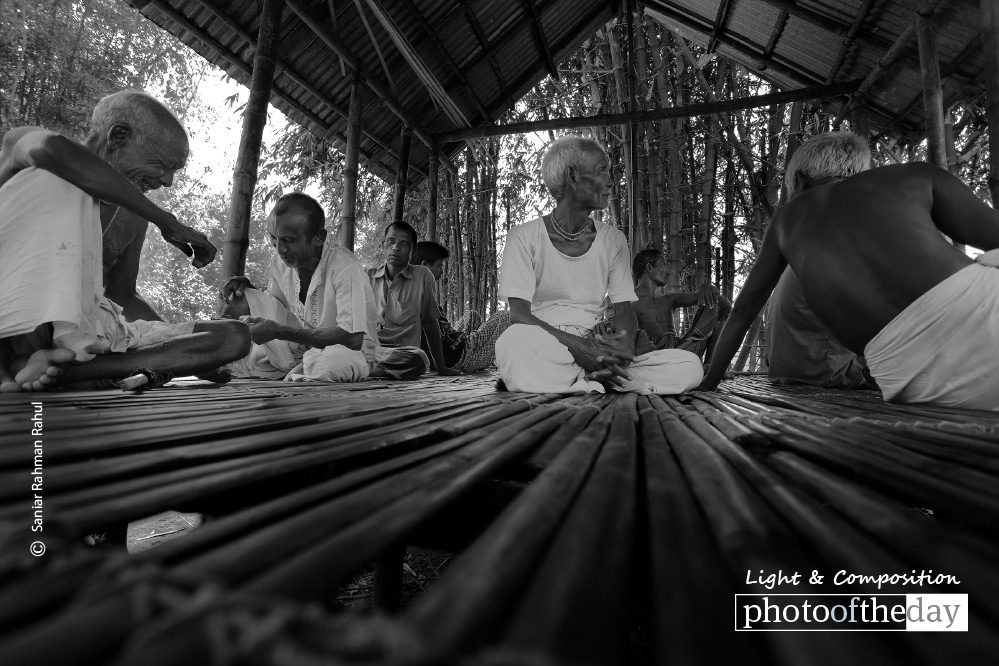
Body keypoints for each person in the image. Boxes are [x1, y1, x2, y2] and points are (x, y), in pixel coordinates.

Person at [700, 131, 999, 411]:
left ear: (801, 181)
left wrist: (708, 384)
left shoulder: (786, 221)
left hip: (913, 379)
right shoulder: (912, 177)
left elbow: (742, 312)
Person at [0, 89, 249, 392]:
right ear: (118, 136)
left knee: (233, 337)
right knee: (58, 178)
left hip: (91, 332)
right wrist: (167, 221)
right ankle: (28, 364)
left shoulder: (133, 213)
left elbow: (123, 295)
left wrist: (185, 348)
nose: (167, 181)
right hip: (18, 326)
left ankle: (59, 369)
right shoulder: (23, 148)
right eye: (162, 165)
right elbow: (54, 153)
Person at [495, 136, 703, 394]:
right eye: (602, 170)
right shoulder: (523, 237)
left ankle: (582, 381)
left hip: (598, 345)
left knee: (689, 365)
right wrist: (580, 350)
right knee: (515, 344)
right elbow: (519, 316)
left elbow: (624, 309)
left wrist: (622, 350)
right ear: (572, 175)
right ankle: (592, 380)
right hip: (544, 341)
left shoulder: (614, 240)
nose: (611, 181)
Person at [220, 193, 428, 382]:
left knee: (335, 362)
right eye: (274, 238)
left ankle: (303, 371)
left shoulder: (345, 266)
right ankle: (294, 369)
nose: (280, 248)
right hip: (303, 345)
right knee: (240, 297)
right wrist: (250, 292)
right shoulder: (279, 262)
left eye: (289, 240)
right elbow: (277, 307)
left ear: (319, 237)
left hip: (349, 349)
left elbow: (352, 339)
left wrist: (277, 331)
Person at [366, 222, 458, 376]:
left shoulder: (422, 275)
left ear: (412, 250)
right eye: (391, 241)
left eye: (403, 244)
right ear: (383, 245)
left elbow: (430, 323)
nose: (395, 247)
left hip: (403, 353)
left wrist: (441, 367)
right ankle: (372, 366)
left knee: (420, 358)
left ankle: (368, 368)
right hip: (370, 349)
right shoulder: (368, 276)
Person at [411, 240, 511, 372]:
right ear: (425, 266)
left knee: (472, 315)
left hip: (453, 345)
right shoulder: (417, 296)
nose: (442, 272)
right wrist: (441, 367)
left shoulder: (419, 289)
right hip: (459, 357)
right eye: (439, 266)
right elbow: (429, 330)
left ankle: (479, 349)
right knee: (505, 316)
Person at [630, 248, 731, 365]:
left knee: (717, 303)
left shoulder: (668, 299)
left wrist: (707, 288)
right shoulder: (627, 301)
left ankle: (710, 366)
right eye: (663, 265)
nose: (667, 272)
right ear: (649, 267)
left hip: (680, 352)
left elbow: (717, 299)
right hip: (652, 359)